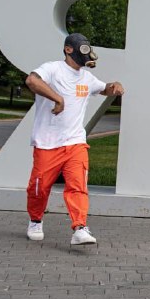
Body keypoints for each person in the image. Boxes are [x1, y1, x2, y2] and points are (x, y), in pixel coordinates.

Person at [24, 33, 125, 245]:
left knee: (78, 185)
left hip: (75, 142)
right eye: (83, 48)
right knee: (39, 188)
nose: (86, 52)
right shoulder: (52, 69)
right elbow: (31, 80)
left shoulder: (87, 78)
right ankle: (35, 220)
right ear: (69, 49)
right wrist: (57, 98)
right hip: (47, 142)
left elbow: (104, 88)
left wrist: (114, 85)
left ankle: (80, 227)